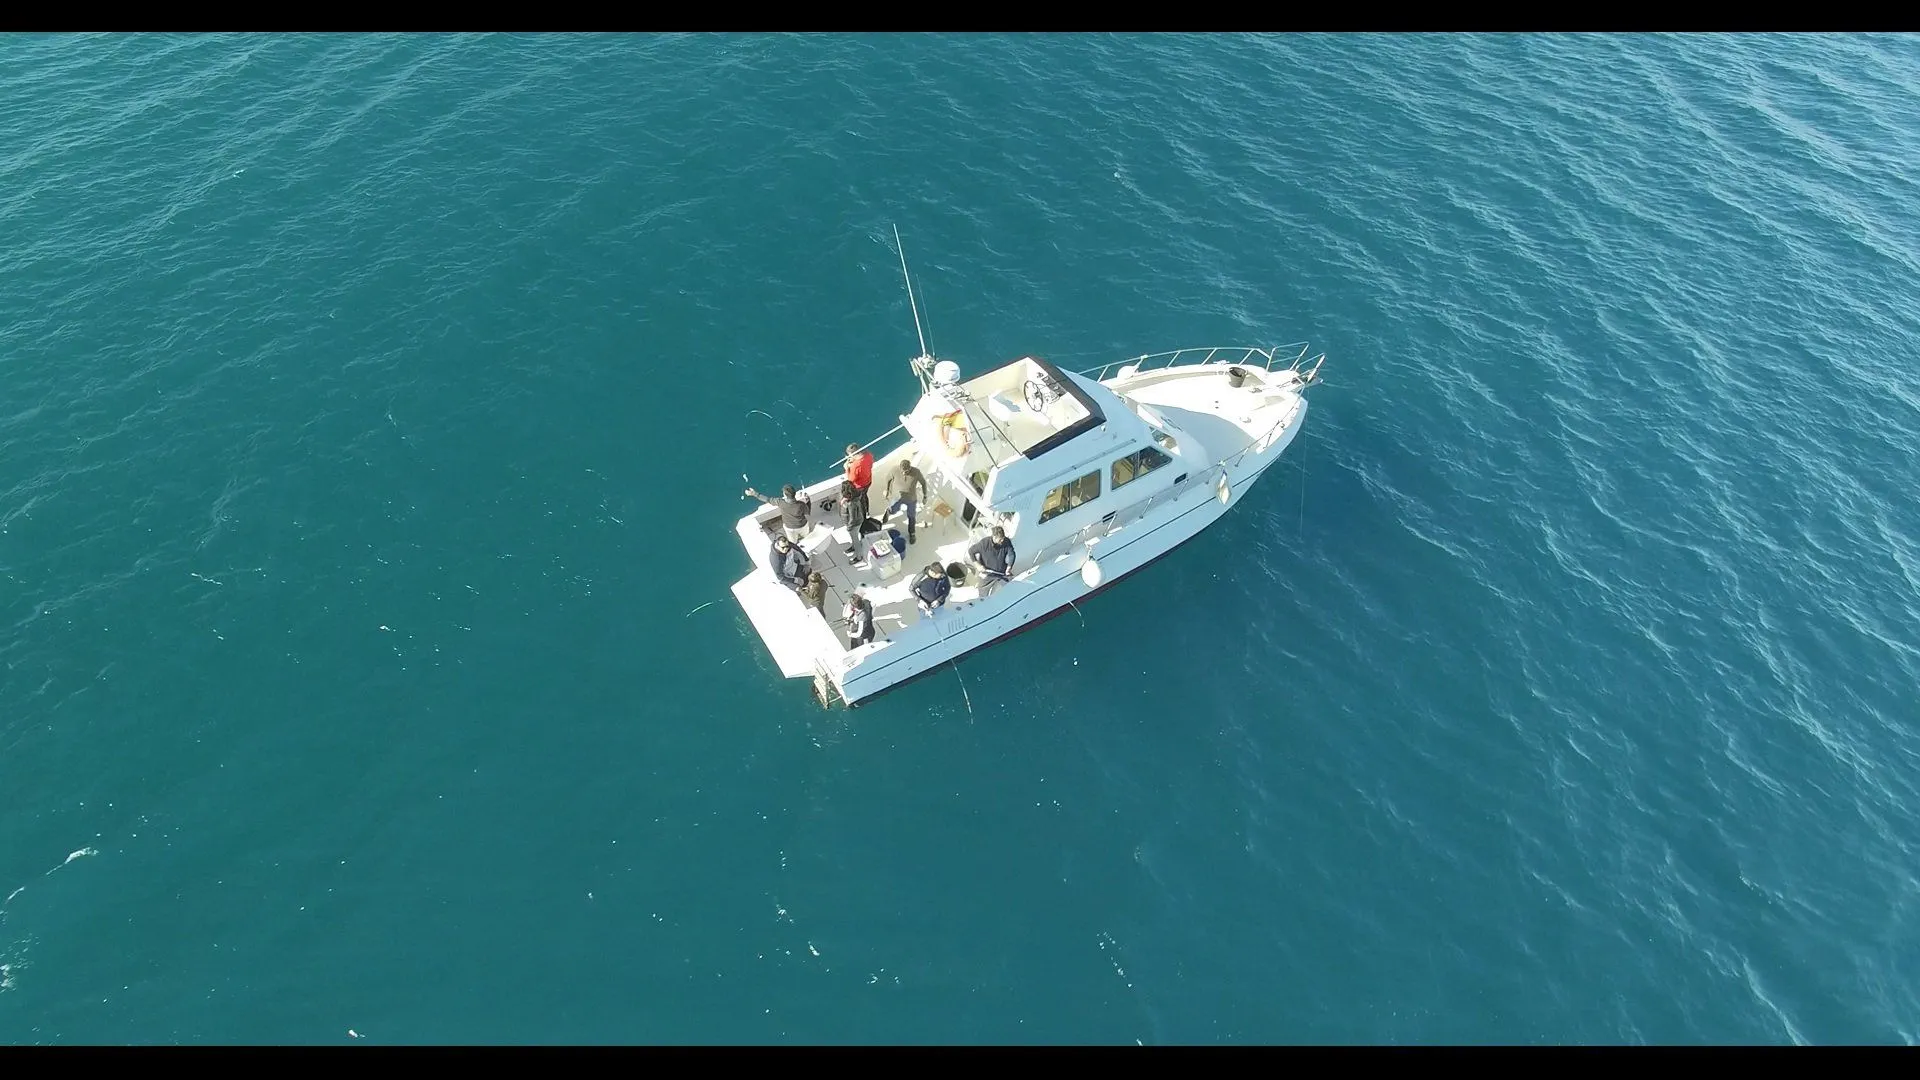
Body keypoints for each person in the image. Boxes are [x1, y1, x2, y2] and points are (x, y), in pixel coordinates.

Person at [745, 483, 811, 542]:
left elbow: (767, 499)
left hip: (789, 528)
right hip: (802, 526)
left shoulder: (780, 502)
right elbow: (808, 512)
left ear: (785, 495)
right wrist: (808, 501)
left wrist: (754, 493)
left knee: (792, 541)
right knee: (807, 538)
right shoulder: (801, 504)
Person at [883, 460, 927, 545]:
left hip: (911, 499)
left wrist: (925, 496)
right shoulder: (894, 469)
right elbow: (888, 478)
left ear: (910, 468)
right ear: (900, 467)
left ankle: (912, 533)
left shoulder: (916, 472)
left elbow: (923, 483)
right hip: (897, 497)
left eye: (906, 471)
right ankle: (888, 511)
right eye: (902, 471)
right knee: (893, 510)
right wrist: (886, 490)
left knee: (911, 516)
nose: (904, 473)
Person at [968, 524, 1016, 596]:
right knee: (982, 593)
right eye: (1000, 539)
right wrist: (977, 565)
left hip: (1002, 572)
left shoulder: (1006, 541)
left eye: (1003, 538)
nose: (1002, 540)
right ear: (994, 537)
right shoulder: (984, 543)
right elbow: (971, 551)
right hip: (988, 573)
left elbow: (1012, 554)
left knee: (1012, 587)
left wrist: (1009, 567)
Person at [837, 479, 870, 562]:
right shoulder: (851, 498)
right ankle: (853, 547)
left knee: (855, 540)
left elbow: (853, 518)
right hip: (852, 521)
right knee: (853, 537)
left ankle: (859, 556)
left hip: (854, 524)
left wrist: (849, 527)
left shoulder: (852, 504)